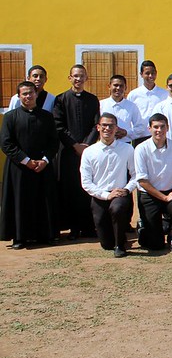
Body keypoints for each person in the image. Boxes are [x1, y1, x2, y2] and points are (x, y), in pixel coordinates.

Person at [0, 81, 59, 248]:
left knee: (43, 200)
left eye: (31, 93)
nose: (28, 96)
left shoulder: (47, 117)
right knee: (20, 201)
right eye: (24, 94)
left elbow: (53, 142)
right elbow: (6, 143)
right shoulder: (10, 117)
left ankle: (45, 235)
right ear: (19, 97)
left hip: (43, 166)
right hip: (19, 167)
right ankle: (20, 237)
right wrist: (26, 160)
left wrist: (45, 160)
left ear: (36, 94)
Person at [133, 113, 172, 252]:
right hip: (149, 195)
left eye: (162, 127)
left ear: (168, 128)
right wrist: (164, 198)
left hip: (171, 192)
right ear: (149, 129)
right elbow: (142, 181)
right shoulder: (141, 149)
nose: (159, 130)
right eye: (155, 127)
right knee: (154, 245)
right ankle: (145, 230)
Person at [79, 112, 136, 257]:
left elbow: (136, 175)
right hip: (100, 195)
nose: (107, 129)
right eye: (104, 125)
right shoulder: (89, 152)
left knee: (117, 209)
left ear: (116, 128)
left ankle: (120, 245)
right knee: (106, 245)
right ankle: (114, 240)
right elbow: (86, 182)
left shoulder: (127, 149)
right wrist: (105, 195)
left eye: (111, 126)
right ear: (98, 127)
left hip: (120, 194)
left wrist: (126, 190)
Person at [53, 64, 100, 239]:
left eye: (81, 76)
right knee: (70, 190)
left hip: (87, 152)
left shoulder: (93, 99)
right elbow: (59, 126)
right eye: (75, 76)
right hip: (67, 152)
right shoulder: (61, 100)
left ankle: (88, 226)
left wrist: (85, 146)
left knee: (86, 189)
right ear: (70, 78)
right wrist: (74, 145)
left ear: (86, 78)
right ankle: (73, 228)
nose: (78, 79)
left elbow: (96, 125)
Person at [127, 60, 168, 144]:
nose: (151, 76)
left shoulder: (165, 94)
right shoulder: (134, 94)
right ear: (141, 74)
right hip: (139, 136)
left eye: (153, 73)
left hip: (159, 135)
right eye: (147, 73)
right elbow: (129, 115)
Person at [99, 74, 146, 144]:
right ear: (109, 86)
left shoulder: (132, 106)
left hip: (125, 144)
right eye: (115, 85)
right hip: (105, 144)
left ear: (125, 88)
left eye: (121, 86)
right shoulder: (101, 105)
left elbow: (140, 127)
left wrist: (126, 132)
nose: (118, 88)